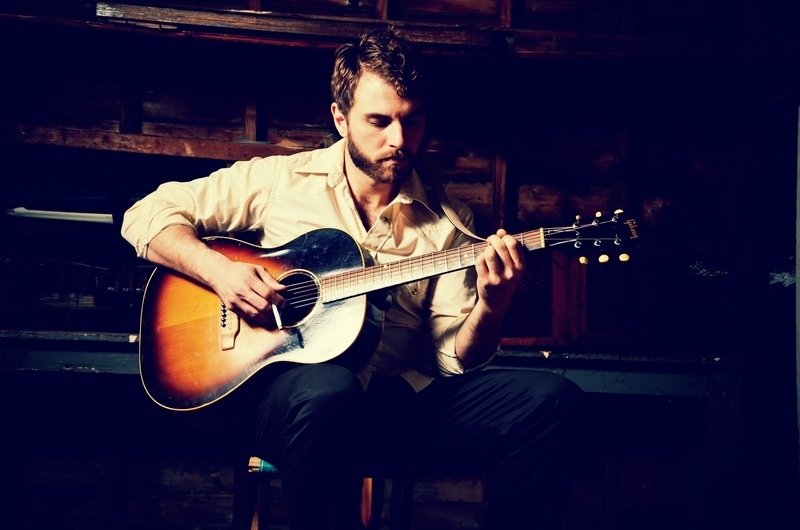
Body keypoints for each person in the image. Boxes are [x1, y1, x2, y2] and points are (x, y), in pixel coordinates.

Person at [122, 28, 584, 530]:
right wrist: (220, 271)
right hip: (293, 404)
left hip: (394, 410)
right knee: (330, 389)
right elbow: (146, 215)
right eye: (379, 121)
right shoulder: (280, 181)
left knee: (553, 401)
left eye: (412, 120)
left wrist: (492, 306)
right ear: (340, 119)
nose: (399, 140)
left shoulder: (451, 223)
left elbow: (450, 359)